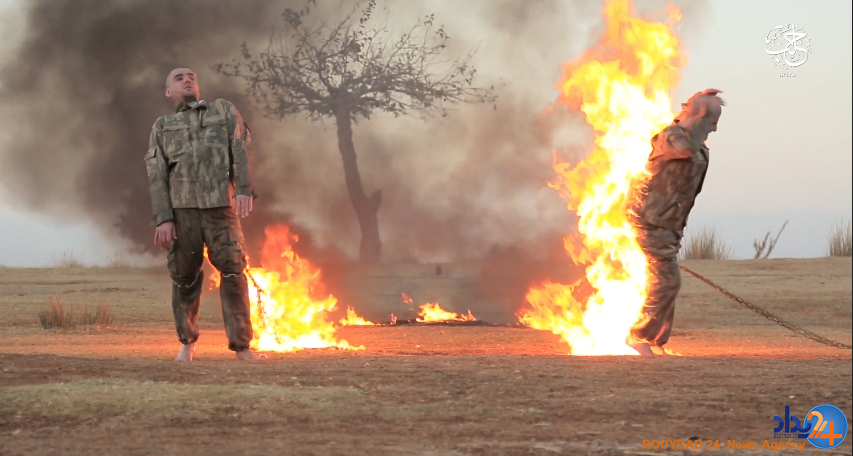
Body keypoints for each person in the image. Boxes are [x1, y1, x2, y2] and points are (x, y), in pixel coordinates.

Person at [145, 67, 263, 361]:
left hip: (220, 209)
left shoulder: (222, 111)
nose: (187, 79)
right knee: (184, 277)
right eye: (179, 78)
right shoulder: (163, 126)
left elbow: (241, 148)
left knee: (234, 271)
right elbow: (157, 173)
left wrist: (244, 189)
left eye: (191, 77)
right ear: (168, 92)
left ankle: (242, 347)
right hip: (182, 212)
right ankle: (187, 344)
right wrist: (163, 218)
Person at [627, 89, 725, 356]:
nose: (715, 128)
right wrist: (691, 119)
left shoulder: (699, 147)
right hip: (649, 223)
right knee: (667, 279)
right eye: (712, 120)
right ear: (698, 115)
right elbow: (684, 149)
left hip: (670, 226)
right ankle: (638, 337)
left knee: (667, 279)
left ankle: (655, 341)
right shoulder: (670, 137)